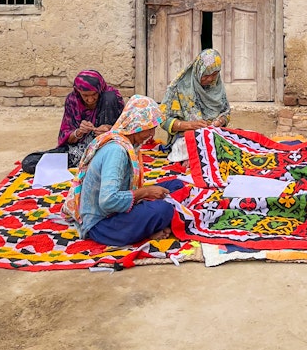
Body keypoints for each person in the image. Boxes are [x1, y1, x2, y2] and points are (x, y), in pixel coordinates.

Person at [62, 94, 186, 247]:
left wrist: (145, 192)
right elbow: (108, 201)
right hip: (102, 225)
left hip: (116, 210)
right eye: (150, 128)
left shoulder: (127, 143)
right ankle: (150, 228)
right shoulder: (117, 151)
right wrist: (145, 193)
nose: (152, 135)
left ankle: (151, 226)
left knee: (176, 185)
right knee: (163, 209)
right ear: (137, 124)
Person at [21, 69, 124, 174]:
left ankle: (100, 161)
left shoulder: (111, 98)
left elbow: (127, 130)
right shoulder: (73, 100)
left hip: (107, 150)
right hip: (79, 152)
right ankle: (90, 162)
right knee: (29, 162)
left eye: (94, 94)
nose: (90, 99)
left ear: (100, 89)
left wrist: (110, 130)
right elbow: (67, 136)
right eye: (85, 95)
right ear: (78, 91)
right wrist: (79, 132)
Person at [159, 49, 230, 161]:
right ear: (198, 70)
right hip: (186, 137)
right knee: (194, 149)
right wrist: (190, 125)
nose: (210, 79)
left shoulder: (217, 87)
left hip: (213, 135)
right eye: (206, 75)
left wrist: (219, 122)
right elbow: (162, 120)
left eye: (214, 74)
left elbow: (226, 112)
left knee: (231, 144)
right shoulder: (179, 87)